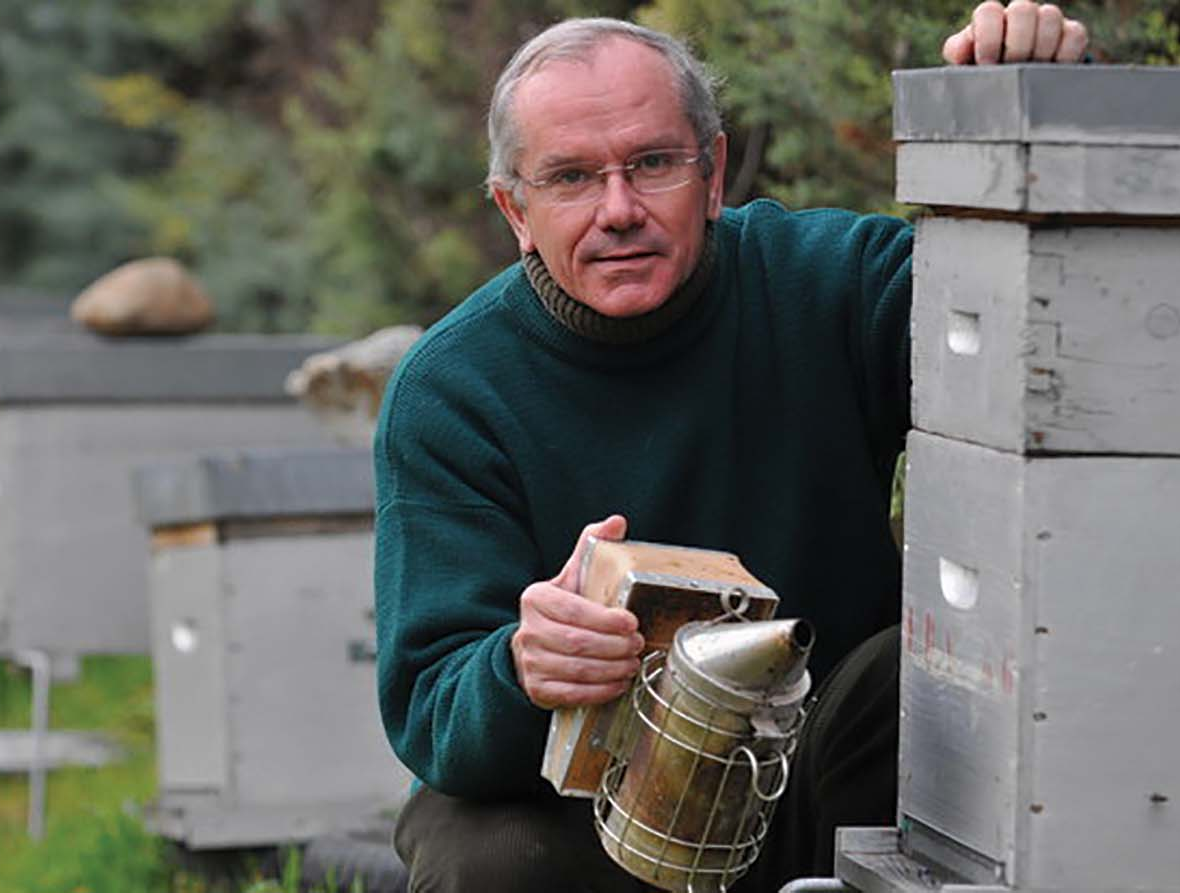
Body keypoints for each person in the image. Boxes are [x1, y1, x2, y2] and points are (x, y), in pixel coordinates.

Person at [372, 4, 1088, 891]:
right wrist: (523, 668)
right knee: (480, 854)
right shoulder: (451, 389)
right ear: (515, 210)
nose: (619, 210)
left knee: (929, 667)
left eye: (654, 163)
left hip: (817, 768)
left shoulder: (831, 282)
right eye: (570, 178)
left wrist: (1025, 121)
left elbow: (1035, 319)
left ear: (712, 175)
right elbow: (431, 706)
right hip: (588, 805)